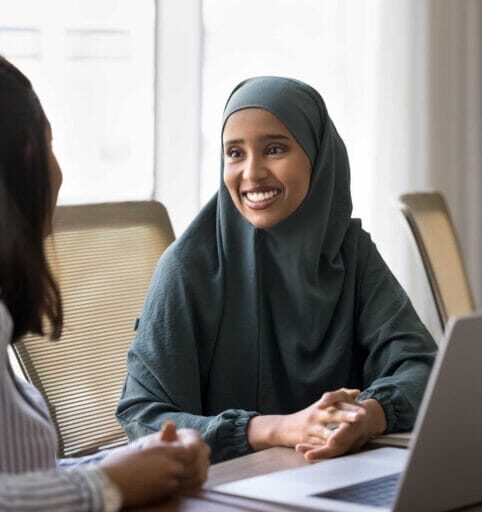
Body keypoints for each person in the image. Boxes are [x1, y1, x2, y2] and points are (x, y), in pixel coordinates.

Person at [117, 76, 437, 464]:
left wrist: (368, 415)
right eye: (234, 153)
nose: (251, 173)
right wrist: (278, 429)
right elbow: (143, 418)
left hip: (328, 472)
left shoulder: (348, 252)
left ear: (317, 156)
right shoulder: (188, 268)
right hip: (225, 484)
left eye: (274, 149)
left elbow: (422, 365)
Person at [0, 55, 210, 511]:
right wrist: (109, 484)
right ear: (26, 159)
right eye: (50, 145)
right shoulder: (192, 264)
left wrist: (140, 463)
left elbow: (21, 477)